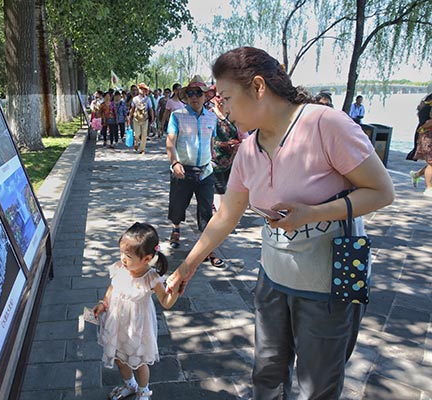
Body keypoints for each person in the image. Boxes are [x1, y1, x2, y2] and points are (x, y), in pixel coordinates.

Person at [166, 47, 394, 399]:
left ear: (258, 87)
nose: (221, 108)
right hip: (273, 280)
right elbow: (226, 215)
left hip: (332, 283)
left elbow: (381, 192)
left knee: (317, 385)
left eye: (226, 97)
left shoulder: (324, 124)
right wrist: (187, 267)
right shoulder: (248, 150)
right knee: (267, 377)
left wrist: (314, 213)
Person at [93, 222, 178, 400]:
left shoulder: (151, 278)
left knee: (139, 362)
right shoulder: (119, 268)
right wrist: (103, 303)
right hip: (117, 323)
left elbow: (166, 301)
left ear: (146, 259)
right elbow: (112, 287)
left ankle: (143, 390)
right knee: (119, 357)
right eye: (122, 252)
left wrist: (175, 290)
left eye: (128, 255)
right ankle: (129, 384)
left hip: (137, 328)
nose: (123, 258)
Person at [166, 75, 225, 268]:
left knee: (206, 210)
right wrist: (175, 163)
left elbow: (211, 141)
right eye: (190, 93)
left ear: (206, 96)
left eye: (198, 93)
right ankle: (176, 228)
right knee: (177, 205)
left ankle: (207, 248)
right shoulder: (178, 116)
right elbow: (170, 142)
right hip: (182, 171)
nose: (194, 97)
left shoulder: (211, 117)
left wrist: (212, 160)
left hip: (205, 172)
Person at [208, 87, 243, 211]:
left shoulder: (233, 115)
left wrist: (239, 144)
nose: (221, 99)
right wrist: (221, 144)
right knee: (219, 188)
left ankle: (222, 213)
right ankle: (219, 216)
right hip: (214, 159)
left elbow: (244, 135)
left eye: (224, 96)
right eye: (218, 96)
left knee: (228, 188)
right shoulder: (209, 115)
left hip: (232, 160)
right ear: (213, 98)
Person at [407, 93, 432, 195]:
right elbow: (427, 123)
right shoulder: (427, 107)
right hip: (428, 137)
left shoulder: (425, 105)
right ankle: (429, 188)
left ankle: (417, 174)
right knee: (431, 162)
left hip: (426, 135)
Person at [128, 83, 154, 154]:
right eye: (141, 89)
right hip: (136, 118)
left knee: (144, 134)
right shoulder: (135, 99)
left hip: (145, 119)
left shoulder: (148, 99)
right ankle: (136, 143)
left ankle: (142, 149)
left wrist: (152, 117)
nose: (143, 90)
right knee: (137, 134)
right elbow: (132, 109)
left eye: (144, 89)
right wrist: (129, 117)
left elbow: (150, 109)